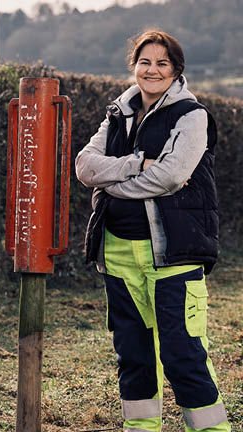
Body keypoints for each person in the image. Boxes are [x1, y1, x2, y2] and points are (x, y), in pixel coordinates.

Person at [75, 29, 229, 432]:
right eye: (145, 61)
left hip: (173, 256)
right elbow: (84, 166)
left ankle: (211, 429)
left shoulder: (191, 116)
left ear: (176, 70)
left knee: (183, 354)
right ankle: (140, 428)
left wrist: (112, 182)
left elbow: (171, 177)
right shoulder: (118, 113)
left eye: (163, 62)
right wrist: (136, 163)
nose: (152, 69)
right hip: (119, 254)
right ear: (134, 66)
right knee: (134, 354)